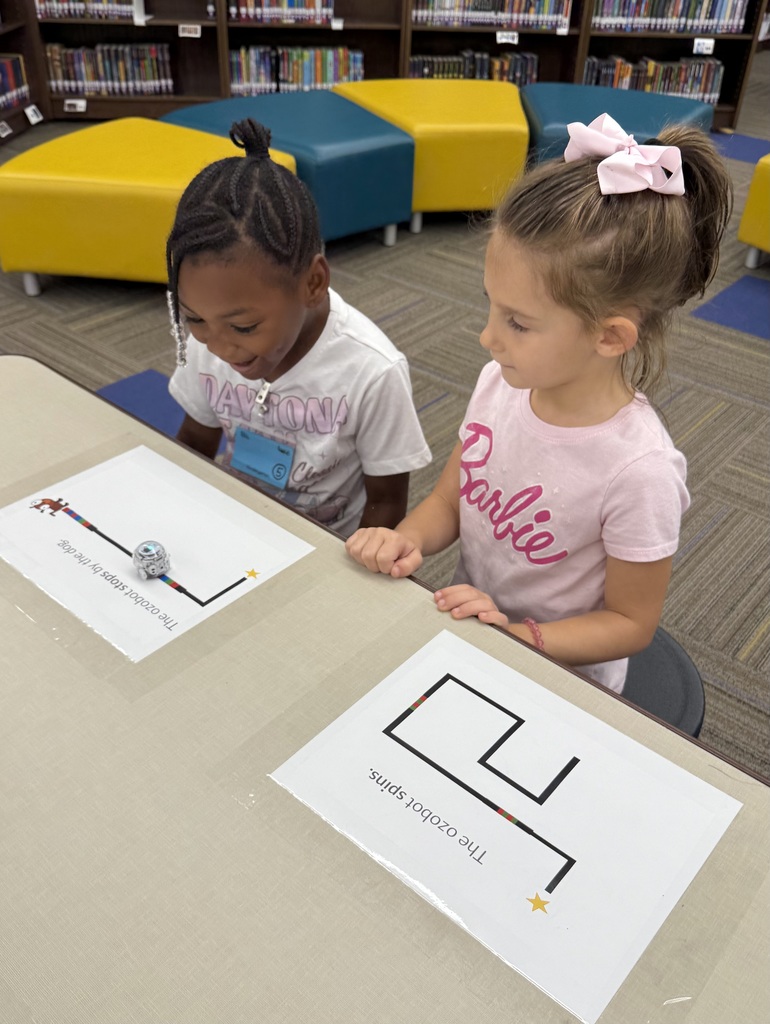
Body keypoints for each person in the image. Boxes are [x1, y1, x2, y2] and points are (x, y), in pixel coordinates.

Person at [346, 114, 731, 693]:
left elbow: (630, 624)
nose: (487, 338)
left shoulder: (639, 472)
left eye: (518, 323)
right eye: (492, 307)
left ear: (610, 337)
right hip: (469, 631)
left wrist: (519, 639)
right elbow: (452, 500)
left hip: (557, 676)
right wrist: (408, 538)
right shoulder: (500, 383)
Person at [166, 118, 430, 538]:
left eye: (244, 326)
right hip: (236, 522)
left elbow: (387, 501)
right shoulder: (209, 341)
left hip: (323, 547)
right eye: (193, 318)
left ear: (313, 283)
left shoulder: (373, 372)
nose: (219, 347)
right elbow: (196, 441)